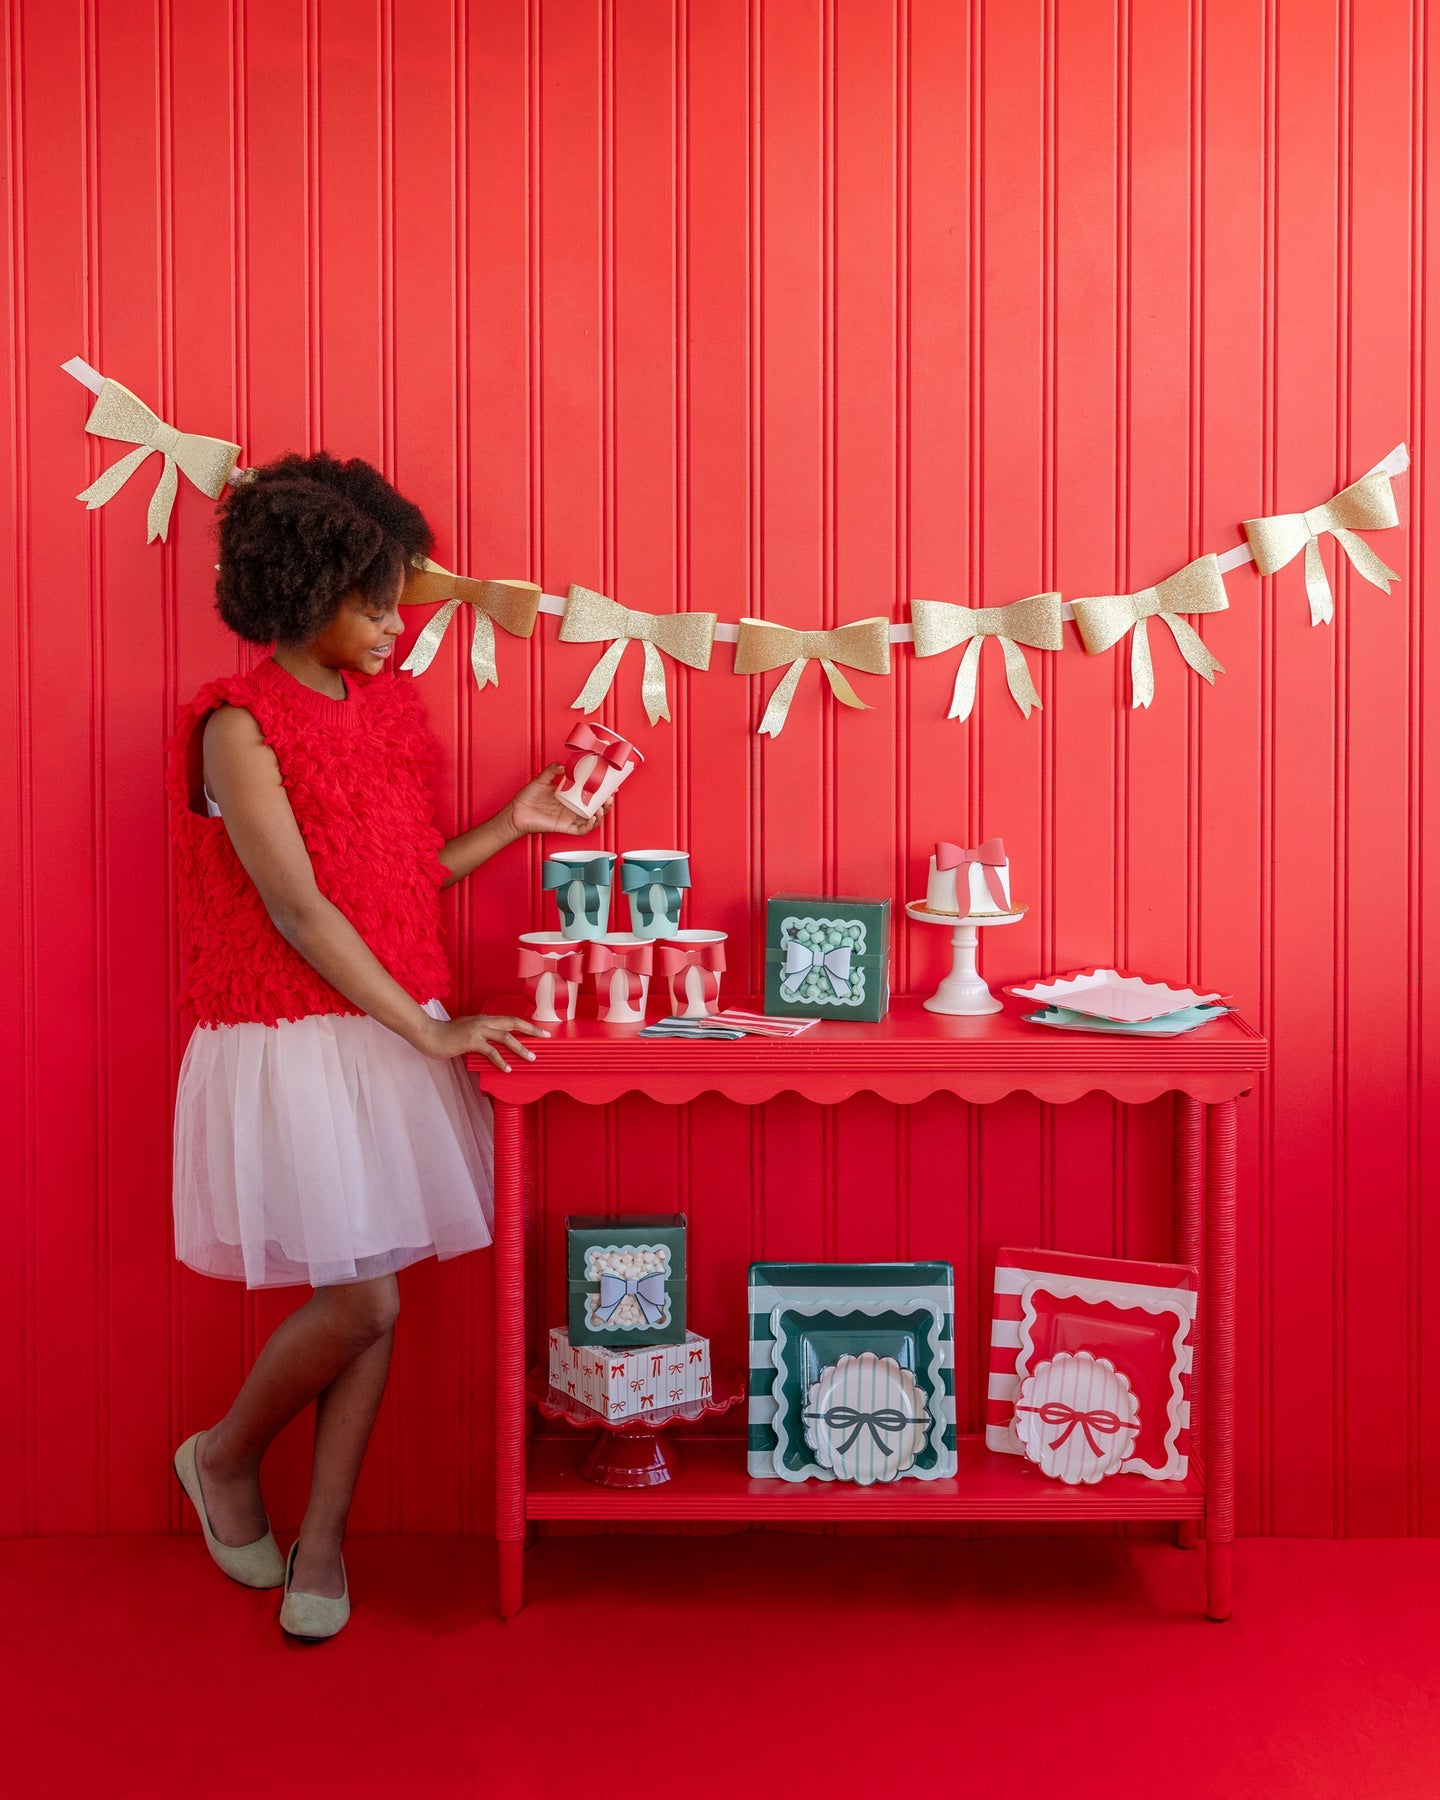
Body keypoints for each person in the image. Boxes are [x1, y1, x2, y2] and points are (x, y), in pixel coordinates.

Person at [165, 452, 603, 1640]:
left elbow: (397, 880)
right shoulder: (237, 728)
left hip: (381, 1030)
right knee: (365, 1301)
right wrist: (435, 1030)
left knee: (376, 1299)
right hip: (292, 1037)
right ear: (303, 594)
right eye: (371, 601)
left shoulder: (390, 713)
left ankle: (324, 1539)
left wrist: (513, 822)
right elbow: (301, 911)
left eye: (397, 597)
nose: (392, 624)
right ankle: (222, 1457)